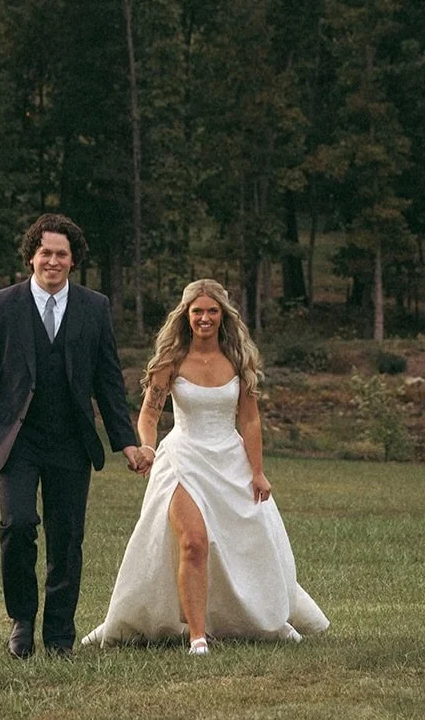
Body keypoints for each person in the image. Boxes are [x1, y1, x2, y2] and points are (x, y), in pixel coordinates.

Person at [81, 278, 329, 654]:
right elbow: (149, 413)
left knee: (241, 545)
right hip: (183, 459)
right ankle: (196, 635)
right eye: (197, 311)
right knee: (194, 542)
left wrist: (257, 471)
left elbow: (249, 420)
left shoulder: (238, 361)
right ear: (186, 315)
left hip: (230, 461)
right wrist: (147, 447)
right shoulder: (170, 362)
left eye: (212, 311)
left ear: (223, 315)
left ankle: (249, 616)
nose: (204, 318)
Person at [0, 213, 149, 659]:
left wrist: (127, 441)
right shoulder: (1, 306)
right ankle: (22, 620)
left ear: (73, 260)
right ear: (31, 257)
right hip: (15, 441)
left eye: (61, 254)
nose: (52, 261)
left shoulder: (94, 308)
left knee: (66, 539)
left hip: (71, 442)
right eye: (45, 253)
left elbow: (109, 381)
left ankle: (60, 635)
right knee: (17, 526)